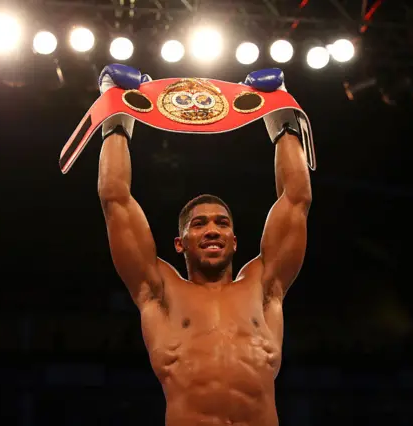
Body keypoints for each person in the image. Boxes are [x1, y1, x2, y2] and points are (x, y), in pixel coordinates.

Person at [97, 64, 312, 426]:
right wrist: (115, 114)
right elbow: (115, 198)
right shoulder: (158, 291)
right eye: (199, 224)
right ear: (180, 244)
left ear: (234, 240)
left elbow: (296, 199)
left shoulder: (264, 287)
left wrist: (281, 115)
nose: (212, 230)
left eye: (222, 223)